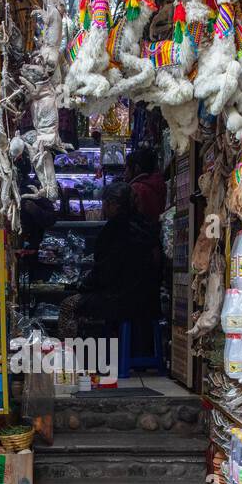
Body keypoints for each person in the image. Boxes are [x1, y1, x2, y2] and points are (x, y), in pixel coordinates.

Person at [78, 181, 161, 340]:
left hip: (122, 302)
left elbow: (104, 274)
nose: (103, 208)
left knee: (70, 305)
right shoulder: (147, 225)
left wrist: (83, 285)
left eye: (104, 204)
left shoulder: (113, 230)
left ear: (113, 205)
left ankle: (72, 360)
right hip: (150, 301)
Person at [127, 146, 167, 223]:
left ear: (136, 168)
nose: (125, 172)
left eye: (127, 168)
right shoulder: (157, 183)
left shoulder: (136, 188)